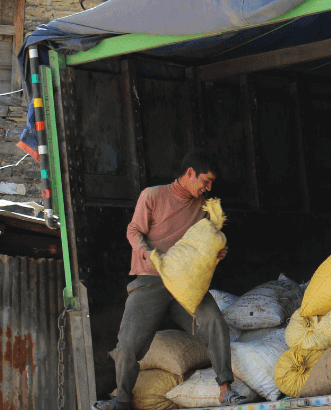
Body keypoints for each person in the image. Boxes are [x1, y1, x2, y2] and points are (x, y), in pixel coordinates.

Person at [93, 151, 249, 410]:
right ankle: (122, 400)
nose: (209, 188)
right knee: (128, 344)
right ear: (190, 173)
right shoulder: (152, 195)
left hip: (186, 284)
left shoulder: (203, 206)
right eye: (206, 181)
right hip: (151, 280)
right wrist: (146, 253)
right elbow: (134, 230)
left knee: (214, 322)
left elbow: (205, 242)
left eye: (211, 183)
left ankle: (225, 390)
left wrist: (217, 251)